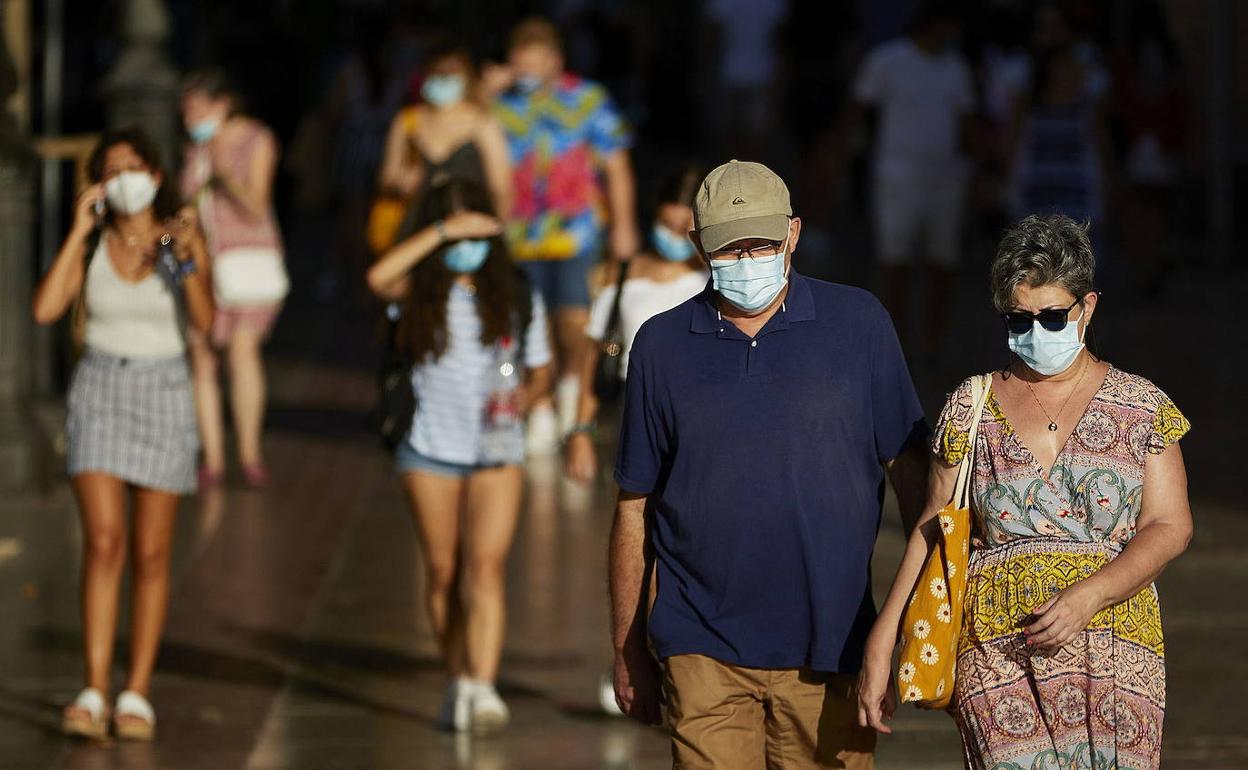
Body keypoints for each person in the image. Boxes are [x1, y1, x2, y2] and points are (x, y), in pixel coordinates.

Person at [610, 160, 929, 769]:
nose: (748, 258)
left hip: (833, 646)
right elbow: (634, 508)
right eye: (730, 246)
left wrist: (906, 625)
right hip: (700, 645)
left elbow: (914, 481)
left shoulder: (859, 324)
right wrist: (627, 648)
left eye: (762, 242)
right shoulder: (661, 344)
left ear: (794, 234)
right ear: (698, 244)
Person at [858, 215, 1192, 770]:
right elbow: (932, 526)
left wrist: (1091, 595)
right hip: (995, 654)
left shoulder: (1141, 407)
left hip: (1113, 650)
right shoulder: (971, 404)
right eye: (1019, 319)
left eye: (1053, 316)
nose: (1036, 333)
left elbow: (1171, 526)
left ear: (1087, 307)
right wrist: (883, 635)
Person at [32, 127, 215, 741]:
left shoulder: (178, 237)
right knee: (104, 541)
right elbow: (44, 309)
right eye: (109, 171)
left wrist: (183, 254)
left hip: (164, 390)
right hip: (101, 388)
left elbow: (206, 320)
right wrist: (79, 232)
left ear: (156, 176)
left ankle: (136, 689)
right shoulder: (92, 243)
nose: (122, 180)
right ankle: (93, 685)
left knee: (152, 552)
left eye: (133, 168)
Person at [365, 178, 552, 734]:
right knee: (443, 572)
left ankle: (482, 685)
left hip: (497, 447)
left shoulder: (517, 292)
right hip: (428, 446)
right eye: (453, 231)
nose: (466, 243)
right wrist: (442, 232)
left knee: (485, 569)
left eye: (476, 228)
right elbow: (378, 278)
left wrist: (526, 397)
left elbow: (542, 372)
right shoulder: (417, 292)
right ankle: (457, 677)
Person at [493, 17, 640, 454]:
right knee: (530, 321)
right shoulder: (499, 105)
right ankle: (538, 403)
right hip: (518, 235)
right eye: (519, 66)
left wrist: (624, 226)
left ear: (555, 60)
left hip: (577, 231)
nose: (527, 75)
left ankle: (571, 394)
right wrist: (485, 91)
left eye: (535, 65)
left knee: (575, 318)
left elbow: (616, 165)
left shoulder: (588, 100)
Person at [564, 165, 706, 485]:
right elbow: (596, 357)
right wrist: (581, 430)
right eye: (665, 223)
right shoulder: (623, 273)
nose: (673, 235)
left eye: (684, 226)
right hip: (635, 405)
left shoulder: (715, 277)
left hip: (700, 405)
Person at [849, 1, 974, 361]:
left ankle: (933, 342)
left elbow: (966, 122)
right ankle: (895, 342)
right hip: (897, 176)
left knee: (943, 262)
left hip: (946, 178)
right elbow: (859, 110)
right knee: (895, 263)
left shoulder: (956, 68)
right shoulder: (888, 60)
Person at [180, 69, 284, 488]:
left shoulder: (257, 139)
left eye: (198, 108)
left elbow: (258, 205)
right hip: (203, 265)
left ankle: (249, 454)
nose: (190, 118)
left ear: (223, 103)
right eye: (186, 111)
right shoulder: (195, 150)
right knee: (202, 358)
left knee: (242, 353)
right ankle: (213, 458)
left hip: (250, 261)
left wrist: (224, 177)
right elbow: (185, 209)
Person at [376, 47, 514, 226]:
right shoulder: (407, 121)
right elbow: (386, 178)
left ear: (466, 77)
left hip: (468, 230)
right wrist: (401, 183)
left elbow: (502, 189)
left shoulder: (482, 122)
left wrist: (496, 230)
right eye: (437, 73)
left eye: (451, 73)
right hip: (415, 229)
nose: (444, 79)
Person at [1007, 4, 1112, 237]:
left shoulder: (1092, 79)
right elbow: (1012, 139)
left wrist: (1104, 189)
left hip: (1079, 196)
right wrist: (1010, 189)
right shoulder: (1021, 79)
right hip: (1033, 196)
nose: (1050, 36)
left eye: (1056, 27)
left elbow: (1100, 137)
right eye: (1043, 28)